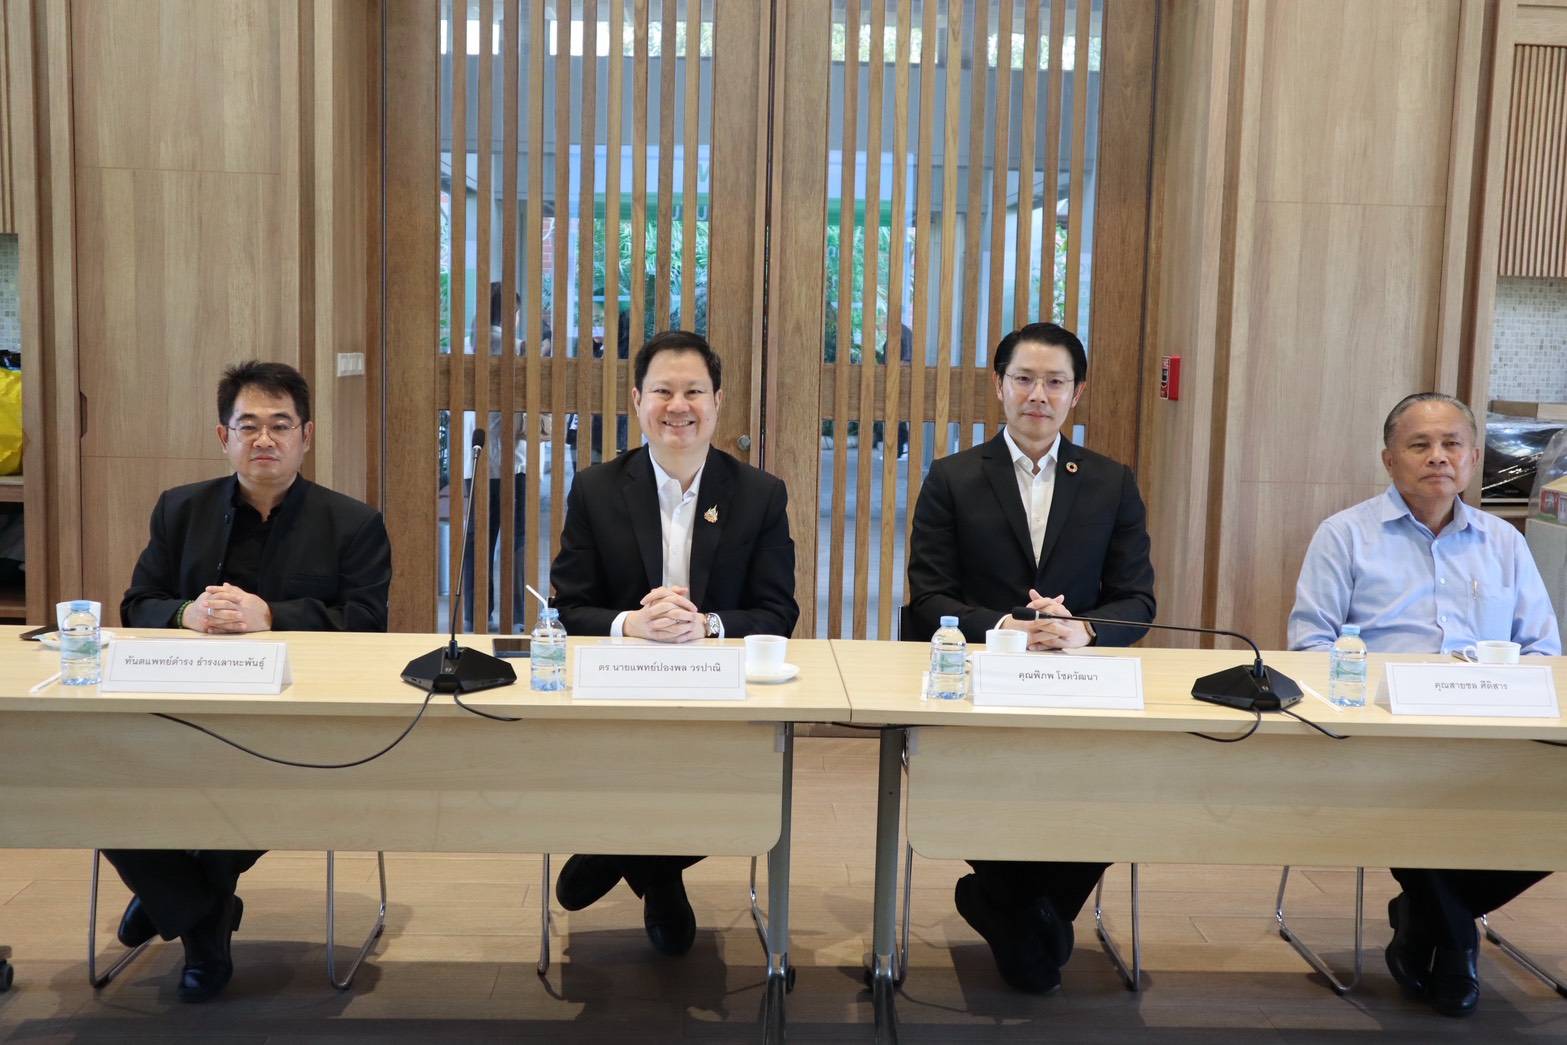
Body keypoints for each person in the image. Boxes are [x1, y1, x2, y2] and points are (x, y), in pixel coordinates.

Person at [112, 361, 391, 1002]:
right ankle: (198, 908)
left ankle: (180, 909)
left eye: (280, 426)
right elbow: (137, 604)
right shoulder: (179, 509)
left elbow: (368, 623)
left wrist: (273, 617)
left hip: (298, 724)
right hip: (183, 708)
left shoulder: (353, 523)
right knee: (92, 776)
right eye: (248, 426)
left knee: (248, 781)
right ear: (224, 437)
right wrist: (186, 613)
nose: (264, 439)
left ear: (306, 436)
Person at [1289, 391, 1560, 1017]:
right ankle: (1456, 939)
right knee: (1411, 793)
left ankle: (1429, 915)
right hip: (1383, 735)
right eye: (1420, 445)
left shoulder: (1504, 542)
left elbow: (1544, 649)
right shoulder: (1345, 535)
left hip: (1492, 733)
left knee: (1556, 806)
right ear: (1389, 460)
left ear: (1473, 459)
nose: (1438, 457)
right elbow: (1310, 645)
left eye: (1452, 444)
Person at [906, 321, 1155, 994]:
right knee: (975, 785)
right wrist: (1006, 626)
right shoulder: (953, 477)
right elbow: (928, 596)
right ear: (999, 386)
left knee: (1118, 789)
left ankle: (1007, 906)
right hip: (981, 684)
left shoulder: (1110, 482)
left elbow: (1138, 599)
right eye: (1023, 379)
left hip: (1082, 686)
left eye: (1054, 382)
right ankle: (1024, 911)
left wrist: (1084, 629)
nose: (1037, 395)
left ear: (1076, 394)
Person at [549, 329, 799, 956]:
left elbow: (778, 612)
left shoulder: (759, 494)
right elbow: (568, 608)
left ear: (717, 402)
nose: (678, 406)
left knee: (741, 784)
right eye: (663, 391)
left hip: (720, 699)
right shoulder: (596, 488)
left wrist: (705, 625)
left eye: (694, 392)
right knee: (628, 760)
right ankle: (660, 878)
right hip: (616, 697)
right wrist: (630, 625)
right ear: (637, 400)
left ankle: (617, 851)